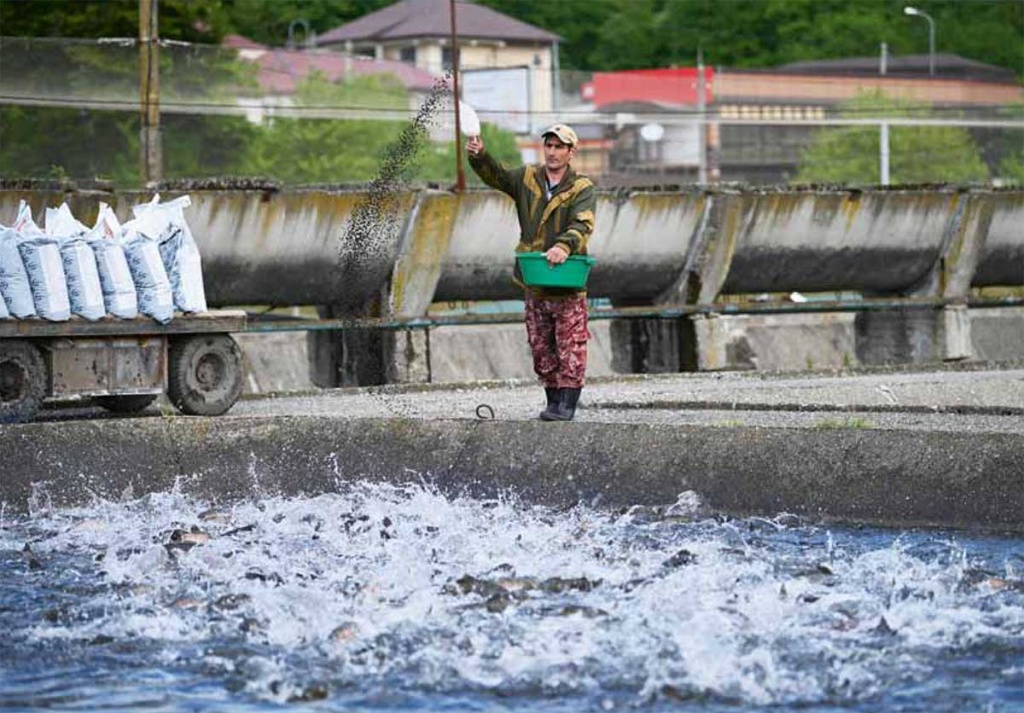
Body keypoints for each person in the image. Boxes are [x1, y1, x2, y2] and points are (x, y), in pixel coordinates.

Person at [466, 123, 596, 421]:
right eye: (548, 146)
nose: (552, 152)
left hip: (567, 281)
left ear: (570, 152)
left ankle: (567, 405)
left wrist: (565, 246)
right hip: (534, 279)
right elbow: (496, 175)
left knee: (571, 346)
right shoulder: (527, 178)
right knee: (541, 346)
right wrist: (479, 156)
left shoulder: (581, 187)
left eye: (559, 147)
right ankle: (552, 402)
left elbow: (583, 223)